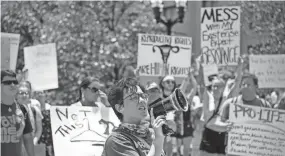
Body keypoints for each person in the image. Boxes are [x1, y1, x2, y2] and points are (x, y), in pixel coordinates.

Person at [102, 78, 166, 156]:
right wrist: (158, 139)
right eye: (134, 97)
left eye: (143, 96)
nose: (142, 100)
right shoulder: (116, 140)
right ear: (120, 108)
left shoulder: (150, 133)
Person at [1, 70, 35, 156]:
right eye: (8, 82)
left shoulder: (21, 108)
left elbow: (27, 138)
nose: (12, 85)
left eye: (14, 82)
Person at [34, 91, 54, 156]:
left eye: (41, 92)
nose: (40, 94)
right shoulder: (33, 109)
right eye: (37, 93)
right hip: (38, 137)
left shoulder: (51, 108)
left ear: (45, 95)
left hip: (49, 138)